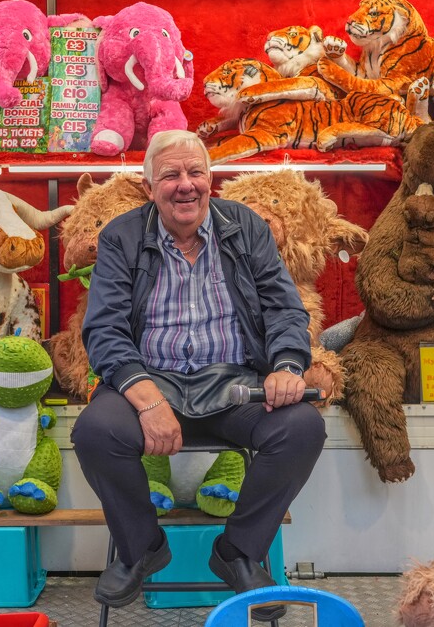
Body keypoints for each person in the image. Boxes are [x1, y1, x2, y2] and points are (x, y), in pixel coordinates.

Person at [71, 129, 326, 622]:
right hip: (152, 380)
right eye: (170, 175)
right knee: (96, 432)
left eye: (196, 172)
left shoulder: (246, 227)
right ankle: (141, 547)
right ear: (149, 188)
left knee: (302, 427)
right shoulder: (121, 236)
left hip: (234, 383)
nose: (185, 185)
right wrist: (147, 401)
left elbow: (284, 308)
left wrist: (288, 366)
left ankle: (240, 552)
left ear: (211, 180)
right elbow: (102, 329)